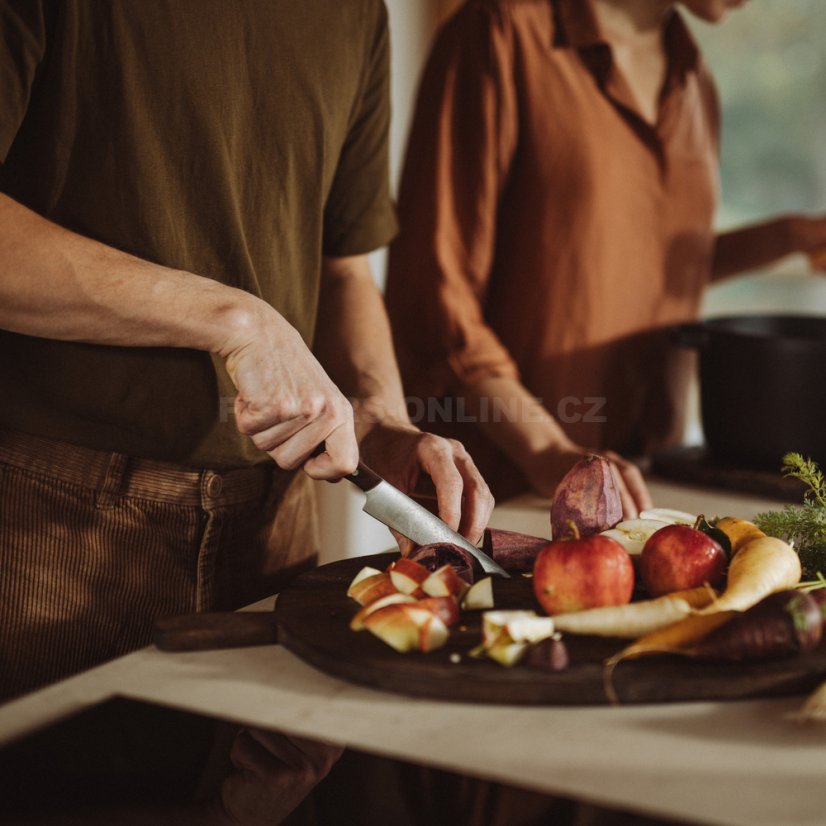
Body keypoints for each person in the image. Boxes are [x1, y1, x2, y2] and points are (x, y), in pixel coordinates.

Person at [0, 0, 493, 822]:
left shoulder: (355, 15)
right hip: (45, 537)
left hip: (275, 541)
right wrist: (237, 319)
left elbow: (342, 268)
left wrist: (379, 418)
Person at [385, 0, 826, 517]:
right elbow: (438, 296)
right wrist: (549, 453)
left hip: (644, 485)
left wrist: (797, 235)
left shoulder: (694, 80)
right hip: (505, 497)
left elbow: (642, 265)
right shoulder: (501, 34)